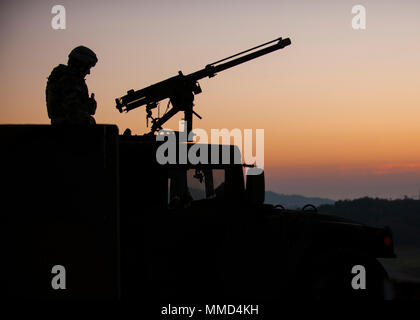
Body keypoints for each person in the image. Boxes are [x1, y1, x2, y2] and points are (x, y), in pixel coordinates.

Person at [46, 46, 98, 125]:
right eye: (87, 67)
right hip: (70, 131)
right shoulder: (67, 80)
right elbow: (74, 114)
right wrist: (88, 107)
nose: (88, 72)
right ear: (79, 65)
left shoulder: (62, 78)